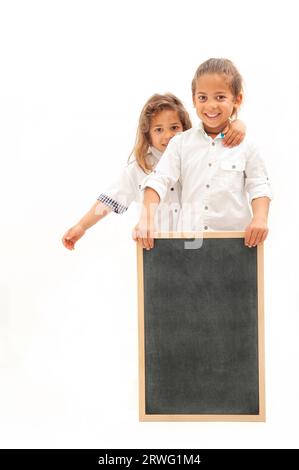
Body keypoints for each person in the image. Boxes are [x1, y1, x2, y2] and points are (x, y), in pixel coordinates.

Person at [62, 92, 246, 250]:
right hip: (156, 248)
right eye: (159, 130)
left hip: (195, 246)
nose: (168, 136)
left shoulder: (193, 156)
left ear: (185, 128)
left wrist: (236, 125)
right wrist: (81, 226)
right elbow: (110, 200)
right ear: (148, 135)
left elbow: (217, 148)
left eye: (174, 128)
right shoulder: (139, 168)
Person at [133, 58, 272, 250]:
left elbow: (259, 185)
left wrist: (260, 219)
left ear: (237, 100)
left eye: (220, 97)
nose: (211, 105)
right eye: (203, 97)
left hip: (237, 245)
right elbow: (158, 180)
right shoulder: (180, 143)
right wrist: (146, 220)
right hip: (190, 244)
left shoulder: (247, 146)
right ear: (193, 99)